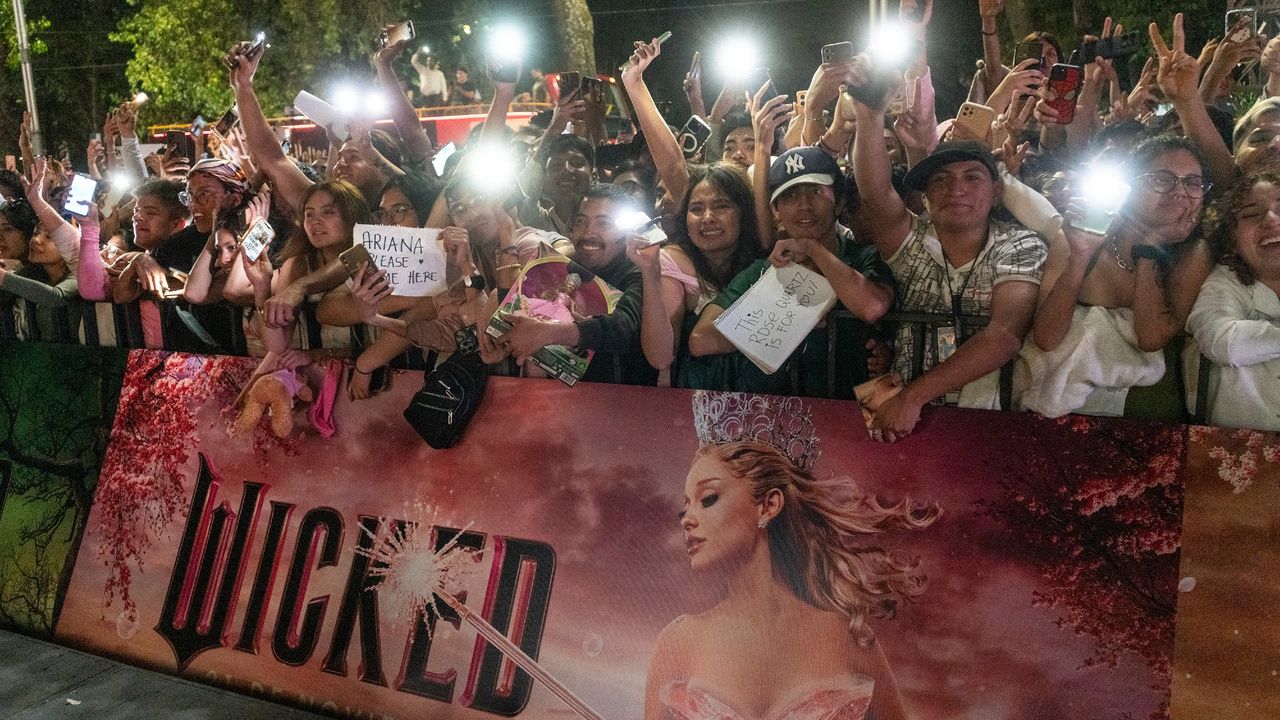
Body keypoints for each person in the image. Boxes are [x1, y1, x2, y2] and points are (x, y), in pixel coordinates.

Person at [646, 391, 938, 720]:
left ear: (769, 505)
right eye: (685, 506)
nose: (686, 518)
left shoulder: (847, 635)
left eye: (708, 498)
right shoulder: (678, 641)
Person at [853, 62, 1047, 440]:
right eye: (940, 180)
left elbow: (1004, 335)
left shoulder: (1022, 243)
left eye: (971, 177)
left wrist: (912, 397)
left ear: (995, 193)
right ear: (925, 197)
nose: (955, 188)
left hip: (991, 424)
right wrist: (868, 115)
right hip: (905, 428)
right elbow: (875, 194)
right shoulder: (912, 244)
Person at [1021, 136, 1213, 418]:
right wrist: (1081, 255)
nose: (1180, 192)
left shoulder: (1194, 252)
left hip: (1148, 410)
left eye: (1192, 182)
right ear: (1130, 186)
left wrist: (1152, 243)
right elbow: (1047, 340)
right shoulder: (1079, 234)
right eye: (1163, 179)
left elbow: (1150, 338)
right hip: (1060, 409)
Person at [689, 147, 894, 397]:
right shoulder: (762, 270)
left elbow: (872, 306)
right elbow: (701, 339)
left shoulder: (863, 257)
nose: (804, 205)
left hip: (850, 414)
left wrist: (812, 248)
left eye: (816, 192)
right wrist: (795, 319)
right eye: (790, 195)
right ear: (776, 211)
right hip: (773, 416)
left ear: (839, 202)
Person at [492, 183, 658, 386]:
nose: (589, 232)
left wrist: (549, 333)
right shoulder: (558, 266)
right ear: (570, 229)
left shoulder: (637, 273)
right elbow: (510, 315)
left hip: (615, 405)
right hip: (548, 400)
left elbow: (625, 327)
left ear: (627, 232)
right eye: (581, 221)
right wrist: (506, 232)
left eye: (603, 224)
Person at [1186, 167, 1280, 431]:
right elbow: (1222, 341)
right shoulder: (1225, 280)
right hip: (1236, 452)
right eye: (1251, 214)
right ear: (1231, 240)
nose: (1271, 219)